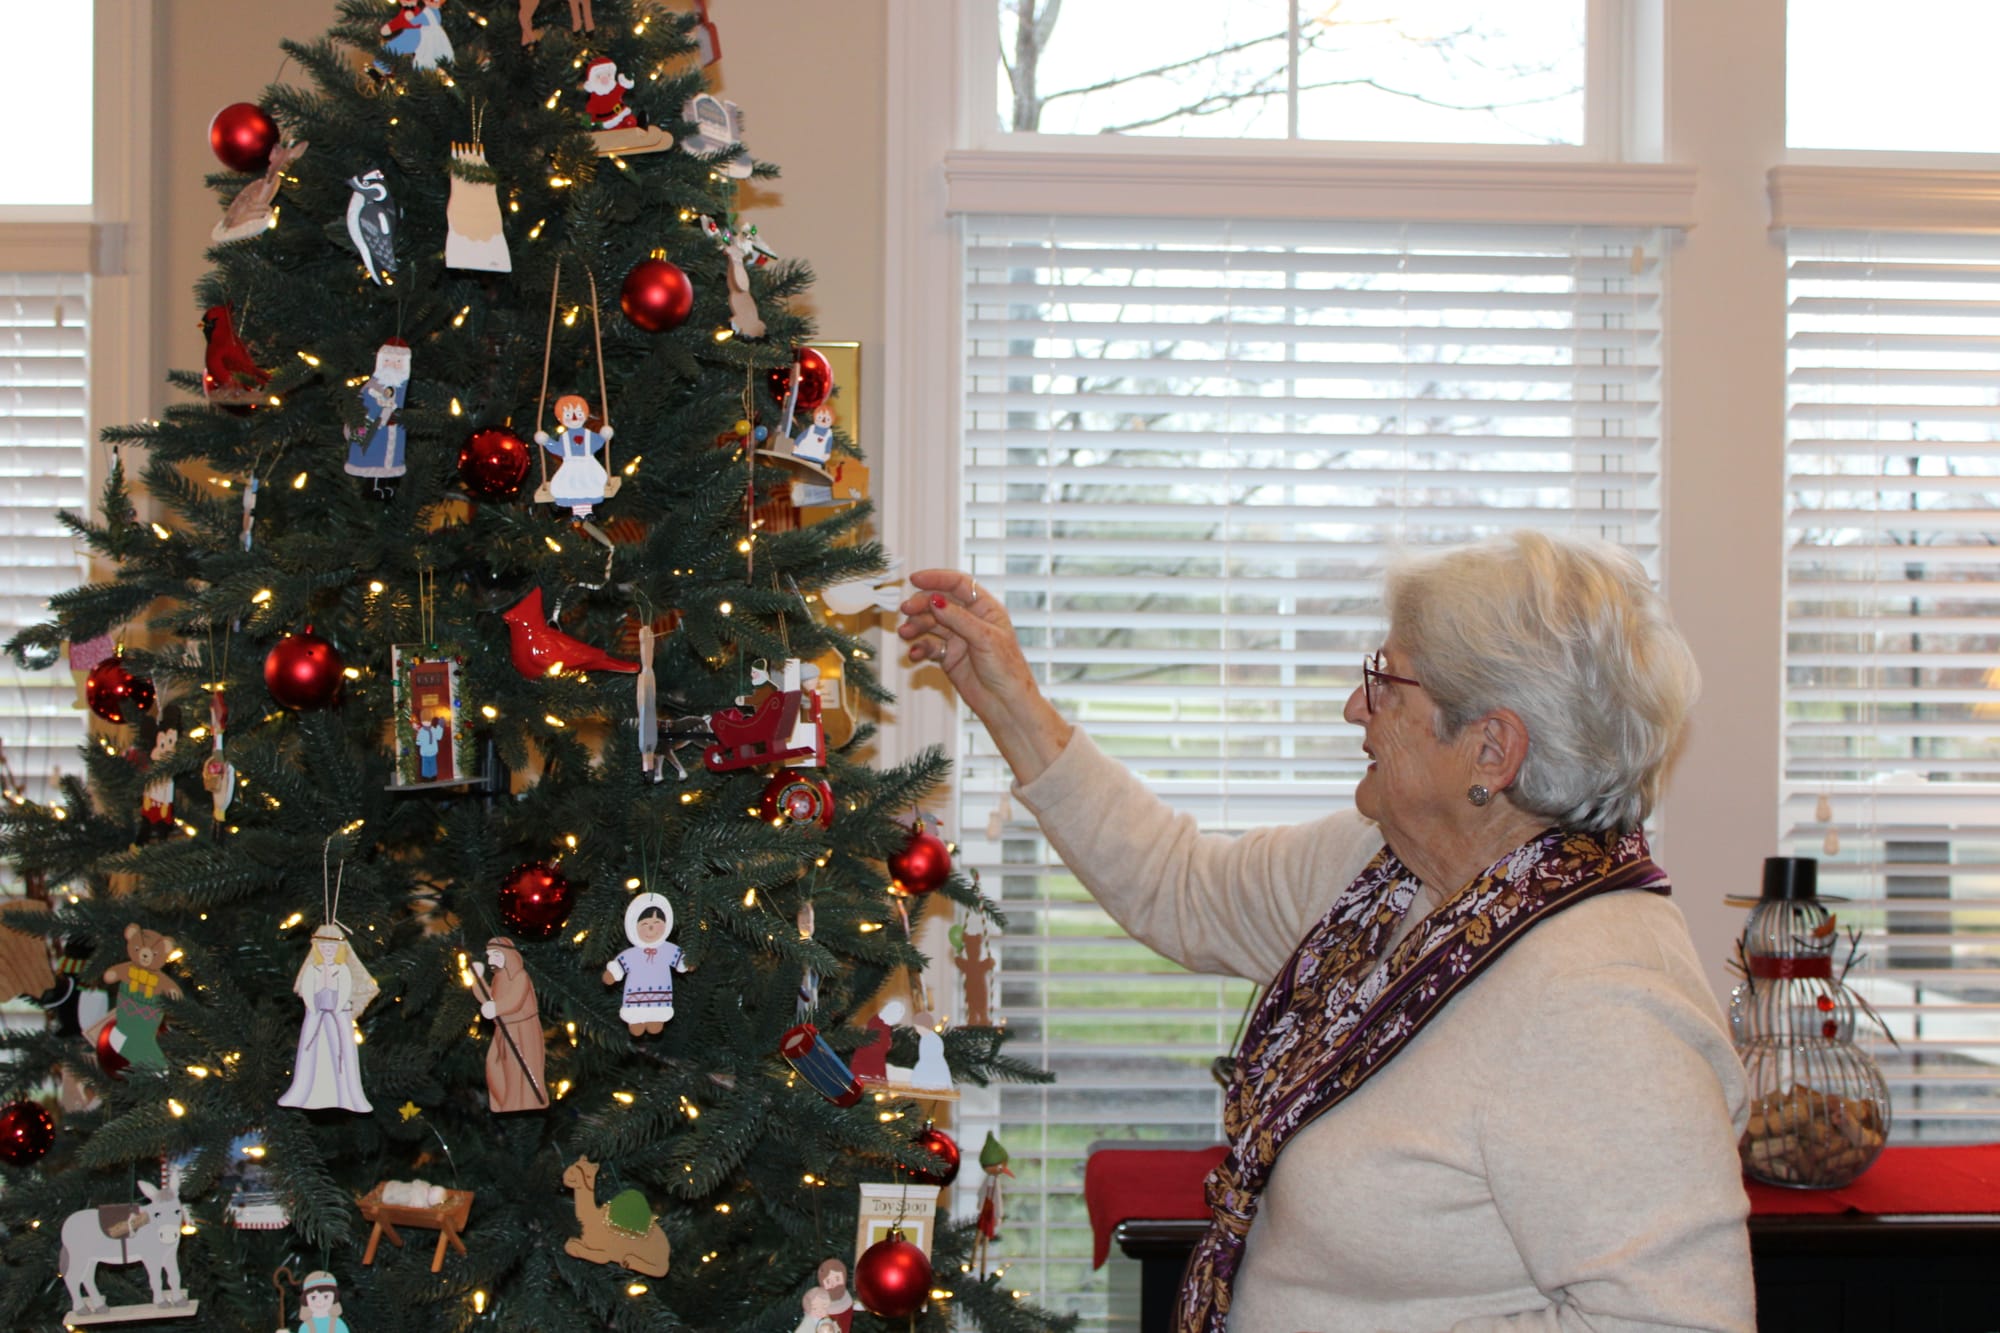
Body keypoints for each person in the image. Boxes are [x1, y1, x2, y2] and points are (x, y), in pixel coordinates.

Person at [897, 531, 1753, 1333]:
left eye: (1388, 680)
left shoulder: (1599, 1004)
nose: (1355, 707)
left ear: (1491, 750)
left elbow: (1675, 1321)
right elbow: (1177, 883)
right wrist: (1008, 697)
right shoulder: (1383, 879)